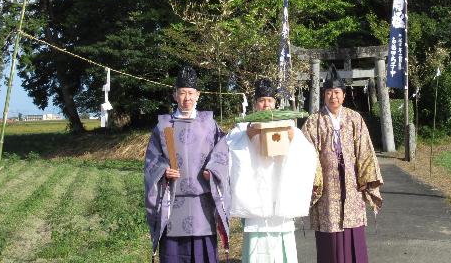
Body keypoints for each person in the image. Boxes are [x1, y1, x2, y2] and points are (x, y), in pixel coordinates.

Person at [144, 65, 230, 263]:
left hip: (203, 203)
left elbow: (222, 154)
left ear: (198, 94)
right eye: (182, 93)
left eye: (191, 93)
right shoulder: (164, 126)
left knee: (204, 255)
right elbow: (152, 160)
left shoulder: (209, 124)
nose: (187, 98)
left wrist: (214, 170)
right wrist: (163, 171)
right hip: (173, 202)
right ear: (175, 95)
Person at [228, 78, 317, 263]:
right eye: (261, 100)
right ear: (255, 104)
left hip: (280, 202)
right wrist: (247, 137)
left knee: (283, 247)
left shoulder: (288, 125)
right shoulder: (241, 128)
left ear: (275, 103)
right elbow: (229, 153)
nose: (266, 104)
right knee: (256, 247)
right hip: (256, 202)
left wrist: (292, 140)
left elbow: (307, 155)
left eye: (269, 100)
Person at [301, 65, 383, 263]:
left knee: (353, 231)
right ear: (324, 95)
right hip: (327, 189)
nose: (333, 97)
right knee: (329, 235)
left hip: (353, 184)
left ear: (344, 95)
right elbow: (306, 153)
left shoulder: (355, 119)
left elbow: (365, 149)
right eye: (329, 92)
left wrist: (366, 177)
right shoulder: (314, 122)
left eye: (337, 92)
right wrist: (314, 181)